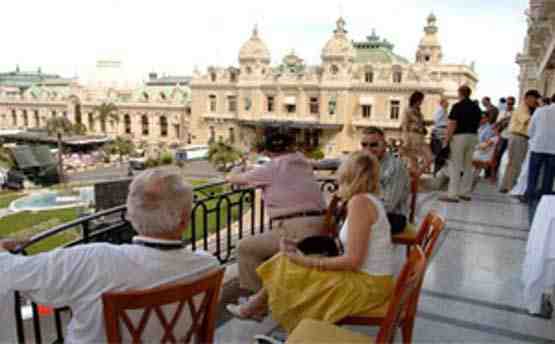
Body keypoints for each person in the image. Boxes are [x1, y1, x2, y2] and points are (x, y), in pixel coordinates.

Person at [0, 167, 219, 343]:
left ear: (130, 214)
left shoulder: (94, 261)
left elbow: (10, 271)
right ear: (184, 220)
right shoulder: (208, 266)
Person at [226, 152, 394, 334]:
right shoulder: (366, 200)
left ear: (348, 175)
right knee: (288, 261)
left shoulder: (360, 203)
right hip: (371, 280)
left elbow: (353, 260)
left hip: (367, 287)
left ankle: (286, 324)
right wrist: (301, 255)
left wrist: (307, 261)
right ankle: (263, 309)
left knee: (295, 270)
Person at [226, 129, 326, 293]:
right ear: (293, 147)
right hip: (320, 227)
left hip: (297, 232)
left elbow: (234, 180)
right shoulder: (302, 162)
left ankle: (255, 302)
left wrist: (236, 169)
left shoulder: (272, 167)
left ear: (267, 152)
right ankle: (267, 298)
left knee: (245, 247)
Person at [361, 126, 410, 233]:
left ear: (384, 145)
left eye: (374, 145)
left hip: (393, 216)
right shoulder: (365, 163)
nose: (368, 149)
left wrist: (360, 211)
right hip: (372, 211)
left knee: (354, 224)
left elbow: (389, 205)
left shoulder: (395, 166)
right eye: (364, 145)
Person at [440, 85, 482, 203]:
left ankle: (452, 194)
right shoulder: (476, 107)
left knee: (455, 165)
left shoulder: (457, 106)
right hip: (473, 136)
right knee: (468, 165)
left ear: (460, 93)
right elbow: (479, 122)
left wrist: (446, 140)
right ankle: (465, 193)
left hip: (459, 137)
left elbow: (452, 123)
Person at [500, 89, 541, 193]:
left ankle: (506, 185)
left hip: (520, 137)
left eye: (536, 99)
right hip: (519, 137)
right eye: (533, 98)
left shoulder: (527, 108)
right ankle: (510, 186)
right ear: (527, 97)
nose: (535, 101)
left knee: (513, 163)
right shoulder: (522, 108)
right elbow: (528, 120)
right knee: (515, 163)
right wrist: (540, 109)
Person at [526, 98, 555, 222]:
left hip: (538, 147)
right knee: (548, 179)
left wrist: (533, 141)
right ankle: (544, 206)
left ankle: (530, 201)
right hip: (553, 150)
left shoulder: (540, 111)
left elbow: (530, 130)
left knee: (533, 177)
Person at [401, 91, 433, 176]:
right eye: (421, 100)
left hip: (420, 137)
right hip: (412, 137)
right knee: (416, 160)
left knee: (425, 159)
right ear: (416, 99)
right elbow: (404, 125)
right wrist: (406, 140)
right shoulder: (408, 110)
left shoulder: (418, 111)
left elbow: (419, 123)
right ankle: (413, 181)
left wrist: (428, 123)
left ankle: (415, 176)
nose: (421, 102)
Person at [495, 96, 515, 175]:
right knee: (498, 155)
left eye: (511, 103)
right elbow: (497, 124)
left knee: (512, 157)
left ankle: (510, 175)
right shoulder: (502, 112)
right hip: (502, 136)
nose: (509, 105)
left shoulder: (515, 112)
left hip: (512, 137)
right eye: (508, 103)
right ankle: (495, 172)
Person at [431, 97, 450, 176]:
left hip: (442, 131)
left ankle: (439, 171)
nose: (448, 104)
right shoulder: (441, 110)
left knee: (442, 152)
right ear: (442, 103)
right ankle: (437, 171)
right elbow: (436, 120)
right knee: (440, 152)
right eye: (447, 103)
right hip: (440, 131)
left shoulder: (443, 110)